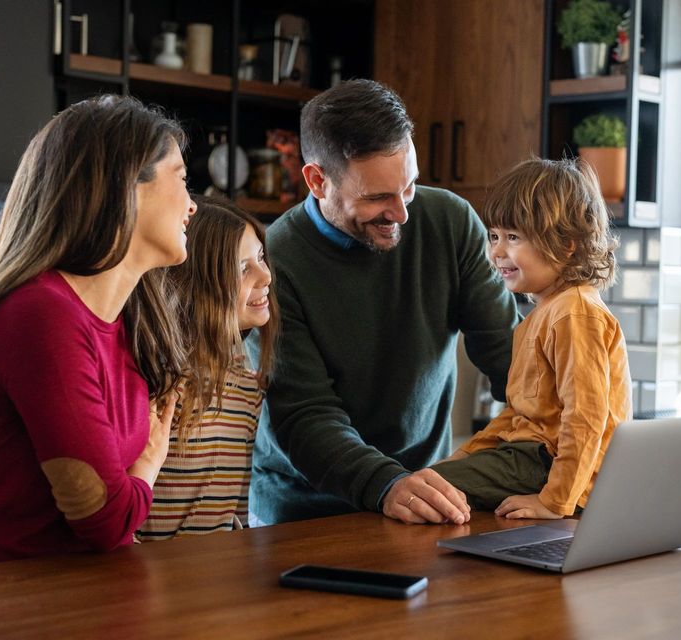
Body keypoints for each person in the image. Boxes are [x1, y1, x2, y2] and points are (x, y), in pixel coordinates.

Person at [0, 95, 197, 578]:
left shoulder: (126, 323)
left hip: (34, 601)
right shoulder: (40, 315)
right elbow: (103, 520)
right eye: (182, 178)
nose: (193, 204)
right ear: (125, 185)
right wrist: (148, 464)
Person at [248, 79, 521, 526]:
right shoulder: (272, 264)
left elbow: (509, 355)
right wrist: (388, 484)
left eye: (408, 186)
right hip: (304, 514)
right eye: (377, 197)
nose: (402, 214)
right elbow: (304, 415)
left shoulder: (450, 223)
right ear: (318, 180)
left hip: (423, 496)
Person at [431, 157, 632, 519]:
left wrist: (554, 501)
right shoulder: (540, 317)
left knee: (422, 495)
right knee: (427, 486)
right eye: (494, 236)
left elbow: (586, 418)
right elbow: (519, 416)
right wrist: (464, 455)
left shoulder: (574, 313)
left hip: (547, 466)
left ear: (566, 244)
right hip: (529, 458)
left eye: (513, 237)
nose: (496, 251)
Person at [137, 198, 278, 538]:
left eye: (261, 258)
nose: (267, 275)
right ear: (198, 284)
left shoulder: (248, 380)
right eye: (244, 269)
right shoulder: (155, 382)